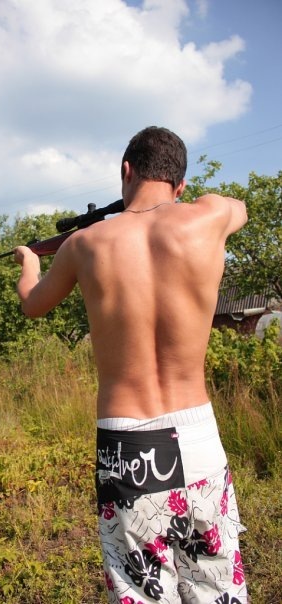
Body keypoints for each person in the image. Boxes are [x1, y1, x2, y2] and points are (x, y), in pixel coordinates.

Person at [13, 126, 248, 604]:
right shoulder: (209, 216)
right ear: (180, 184)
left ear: (126, 170)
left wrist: (29, 263)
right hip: (198, 436)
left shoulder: (83, 244)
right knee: (217, 588)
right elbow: (238, 207)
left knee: (142, 591)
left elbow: (32, 304)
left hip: (127, 447)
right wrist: (183, 202)